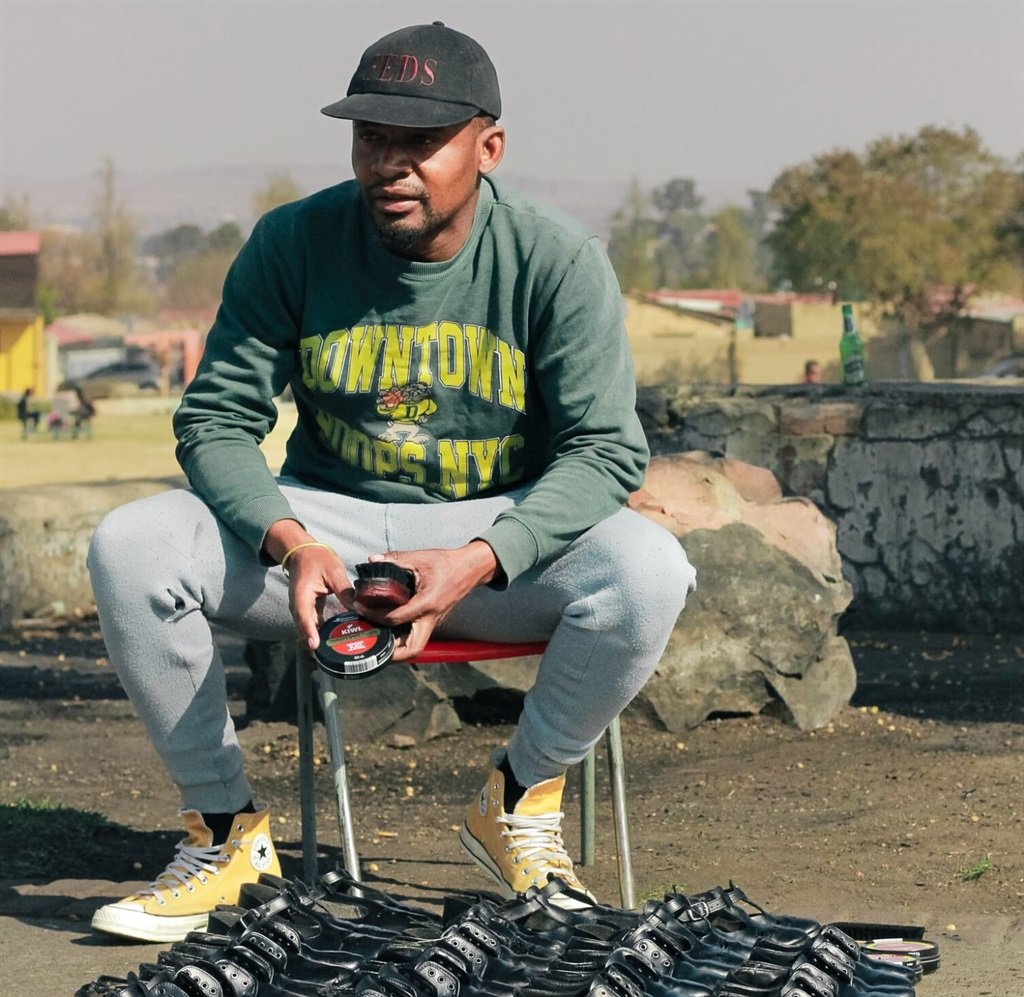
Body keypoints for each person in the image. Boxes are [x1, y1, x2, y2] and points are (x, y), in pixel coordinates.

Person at [86, 21, 696, 942]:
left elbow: (605, 452)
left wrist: (481, 558)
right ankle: (224, 836)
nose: (391, 165)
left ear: (487, 147)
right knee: (129, 545)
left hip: (489, 540)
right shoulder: (293, 242)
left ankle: (520, 802)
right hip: (323, 534)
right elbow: (214, 421)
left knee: (649, 569)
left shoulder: (556, 259)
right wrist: (292, 544)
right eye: (374, 139)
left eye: (421, 142)